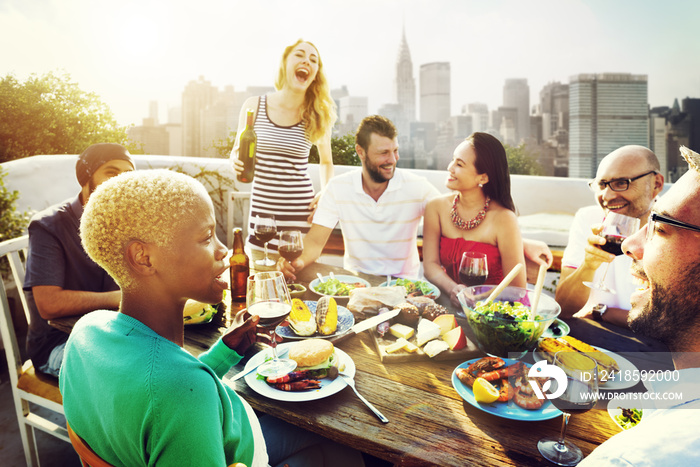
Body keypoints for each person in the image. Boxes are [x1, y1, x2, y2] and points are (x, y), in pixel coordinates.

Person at [59, 169, 365, 467]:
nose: (224, 252)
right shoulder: (181, 395)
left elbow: (153, 387)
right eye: (207, 238)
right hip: (231, 449)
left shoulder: (86, 331)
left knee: (334, 447)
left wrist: (223, 352)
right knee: (343, 448)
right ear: (144, 257)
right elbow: (174, 392)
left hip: (209, 433)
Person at [279, 115, 552, 287]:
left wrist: (519, 241)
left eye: (396, 151)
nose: (392, 160)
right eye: (383, 152)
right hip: (357, 286)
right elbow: (314, 245)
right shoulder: (337, 188)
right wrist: (297, 264)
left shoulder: (417, 188)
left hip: (406, 289)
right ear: (360, 152)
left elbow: (463, 218)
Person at [578, 146, 700, 466]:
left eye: (659, 227)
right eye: (601, 184)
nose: (630, 245)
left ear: (657, 182)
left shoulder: (626, 459)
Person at [23, 143, 134, 377]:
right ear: (86, 177)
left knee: (171, 360)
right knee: (132, 376)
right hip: (60, 344)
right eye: (111, 173)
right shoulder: (48, 225)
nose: (120, 183)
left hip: (112, 336)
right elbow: (49, 304)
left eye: (128, 175)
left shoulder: (125, 223)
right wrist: (120, 298)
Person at [231, 38, 336, 255]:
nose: (306, 61)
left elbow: (326, 162)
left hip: (301, 220)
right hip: (262, 218)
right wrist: (234, 160)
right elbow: (236, 150)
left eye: (313, 60)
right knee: (260, 278)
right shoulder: (253, 106)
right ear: (285, 63)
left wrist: (325, 192)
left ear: (316, 73)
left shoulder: (318, 114)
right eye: (299, 55)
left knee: (297, 284)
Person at [555, 145, 664, 327]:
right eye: (602, 184)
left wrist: (606, 313)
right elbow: (564, 308)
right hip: (596, 339)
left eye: (621, 183)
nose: (607, 196)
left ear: (656, 184)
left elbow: (669, 325)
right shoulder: (589, 219)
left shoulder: (676, 228)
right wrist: (588, 266)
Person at [422, 133, 526, 307]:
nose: (450, 168)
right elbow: (430, 265)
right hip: (451, 304)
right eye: (453, 160)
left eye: (459, 164)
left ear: (483, 178)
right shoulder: (436, 207)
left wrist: (476, 297)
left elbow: (516, 287)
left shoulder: (504, 218)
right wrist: (453, 289)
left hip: (496, 311)